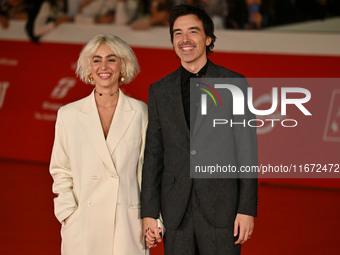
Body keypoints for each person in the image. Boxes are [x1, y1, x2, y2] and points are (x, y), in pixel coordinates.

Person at [141, 4, 258, 255]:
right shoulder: (159, 90)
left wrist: (246, 208)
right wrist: (149, 213)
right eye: (177, 33)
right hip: (175, 211)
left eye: (193, 32)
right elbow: (153, 155)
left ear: (208, 38)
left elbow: (247, 151)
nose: (185, 40)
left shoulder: (234, 83)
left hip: (222, 209)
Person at [49, 34, 153, 255]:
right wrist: (68, 213)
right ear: (89, 67)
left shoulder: (141, 113)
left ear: (123, 65)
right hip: (83, 226)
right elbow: (60, 170)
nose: (103, 66)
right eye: (96, 60)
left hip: (128, 225)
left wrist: (153, 219)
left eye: (111, 59)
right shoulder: (69, 115)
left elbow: (150, 172)